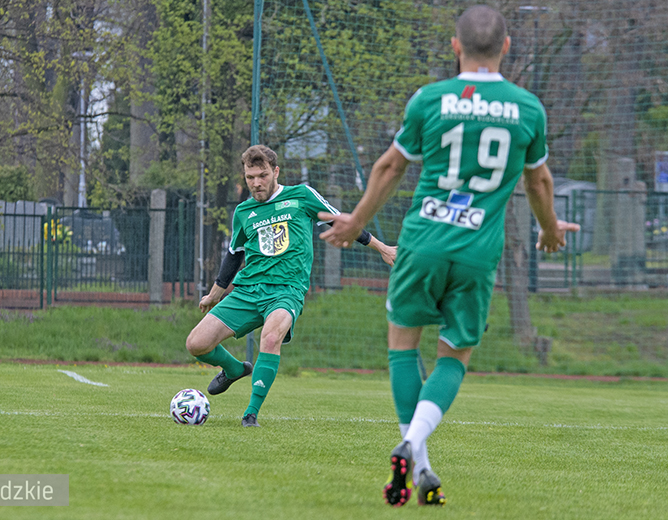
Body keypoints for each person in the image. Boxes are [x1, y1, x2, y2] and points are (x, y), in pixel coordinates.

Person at [319, 5, 579, 507]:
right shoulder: (528, 108)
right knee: (454, 355)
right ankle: (417, 456)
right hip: (478, 252)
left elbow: (390, 167)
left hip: (423, 242)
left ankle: (414, 454)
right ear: (506, 47)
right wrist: (549, 230)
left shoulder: (430, 99)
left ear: (455, 47)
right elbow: (539, 181)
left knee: (402, 345)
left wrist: (354, 221)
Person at [186, 144, 396, 427]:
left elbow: (343, 223)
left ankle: (250, 414)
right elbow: (234, 255)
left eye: (262, 175)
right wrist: (214, 294)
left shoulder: (301, 196)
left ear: (275, 171)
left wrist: (382, 248)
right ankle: (235, 369)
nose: (256, 183)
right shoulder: (244, 211)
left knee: (271, 338)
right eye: (250, 177)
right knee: (196, 344)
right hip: (248, 290)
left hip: (287, 291)